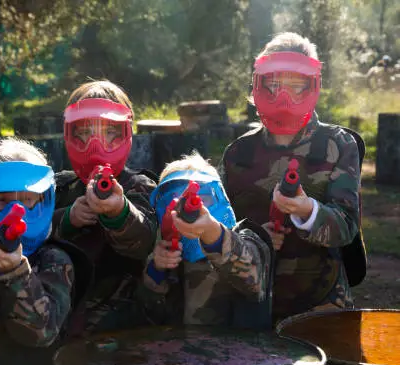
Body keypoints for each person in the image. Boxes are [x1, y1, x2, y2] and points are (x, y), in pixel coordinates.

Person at [221, 32, 365, 324]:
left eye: (296, 86)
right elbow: (220, 229)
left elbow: (347, 227)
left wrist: (307, 211)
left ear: (313, 86)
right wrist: (253, 238)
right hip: (252, 303)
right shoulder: (238, 153)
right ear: (258, 85)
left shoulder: (338, 145)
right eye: (274, 85)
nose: (284, 98)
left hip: (321, 303)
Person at [53, 80, 158, 336]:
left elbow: (147, 241)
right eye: (85, 133)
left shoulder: (140, 187)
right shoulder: (59, 188)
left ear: (125, 134)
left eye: (109, 133)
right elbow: (30, 235)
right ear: (70, 134)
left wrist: (120, 212)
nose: (96, 146)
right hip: (62, 318)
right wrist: (67, 218)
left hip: (123, 322)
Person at [0, 138, 75, 365]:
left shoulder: (54, 261)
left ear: (44, 200)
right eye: (2, 200)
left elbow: (42, 331)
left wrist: (14, 273)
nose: (15, 211)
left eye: (27, 200)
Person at [139, 154, 274, 329]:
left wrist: (212, 233)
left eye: (204, 199)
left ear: (221, 200)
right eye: (175, 200)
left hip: (237, 352)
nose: (192, 208)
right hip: (180, 352)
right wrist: (157, 269)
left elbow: (252, 277)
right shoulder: (163, 252)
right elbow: (146, 313)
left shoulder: (246, 239)